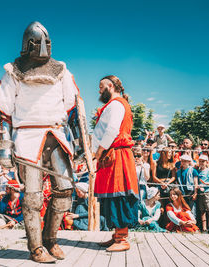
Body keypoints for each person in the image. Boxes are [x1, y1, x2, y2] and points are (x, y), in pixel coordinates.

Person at [0, 22, 80, 263]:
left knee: (64, 192)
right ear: (28, 45)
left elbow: (72, 108)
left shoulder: (61, 69)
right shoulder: (13, 70)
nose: (43, 47)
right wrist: (4, 149)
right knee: (32, 197)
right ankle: (36, 247)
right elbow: (5, 112)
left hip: (57, 134)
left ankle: (51, 239)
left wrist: (80, 143)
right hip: (27, 138)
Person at [92, 75, 139, 252]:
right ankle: (116, 236)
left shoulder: (117, 104)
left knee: (119, 195)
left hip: (116, 155)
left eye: (101, 86)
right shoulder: (114, 105)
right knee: (112, 196)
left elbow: (112, 130)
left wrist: (98, 151)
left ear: (110, 86)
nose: (99, 90)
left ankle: (122, 239)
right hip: (111, 154)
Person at [196, 154, 209, 232]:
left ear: (207, 162)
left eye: (203, 161)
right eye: (200, 161)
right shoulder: (198, 170)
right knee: (202, 211)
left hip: (208, 192)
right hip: (200, 192)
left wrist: (206, 183)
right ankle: (204, 228)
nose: (201, 163)